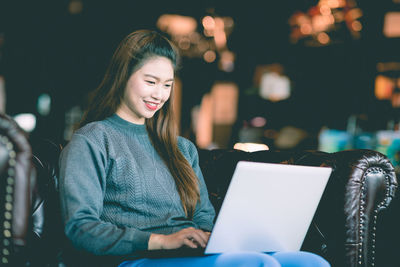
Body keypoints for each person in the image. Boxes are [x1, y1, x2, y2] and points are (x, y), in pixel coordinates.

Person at [58, 29, 330, 267]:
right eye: (150, 82)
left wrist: (207, 237)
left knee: (310, 261)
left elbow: (203, 217)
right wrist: (161, 241)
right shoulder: (92, 140)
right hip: (137, 258)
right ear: (123, 76)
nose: (159, 95)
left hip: (186, 256)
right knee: (256, 263)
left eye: (167, 85)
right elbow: (81, 228)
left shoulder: (181, 148)